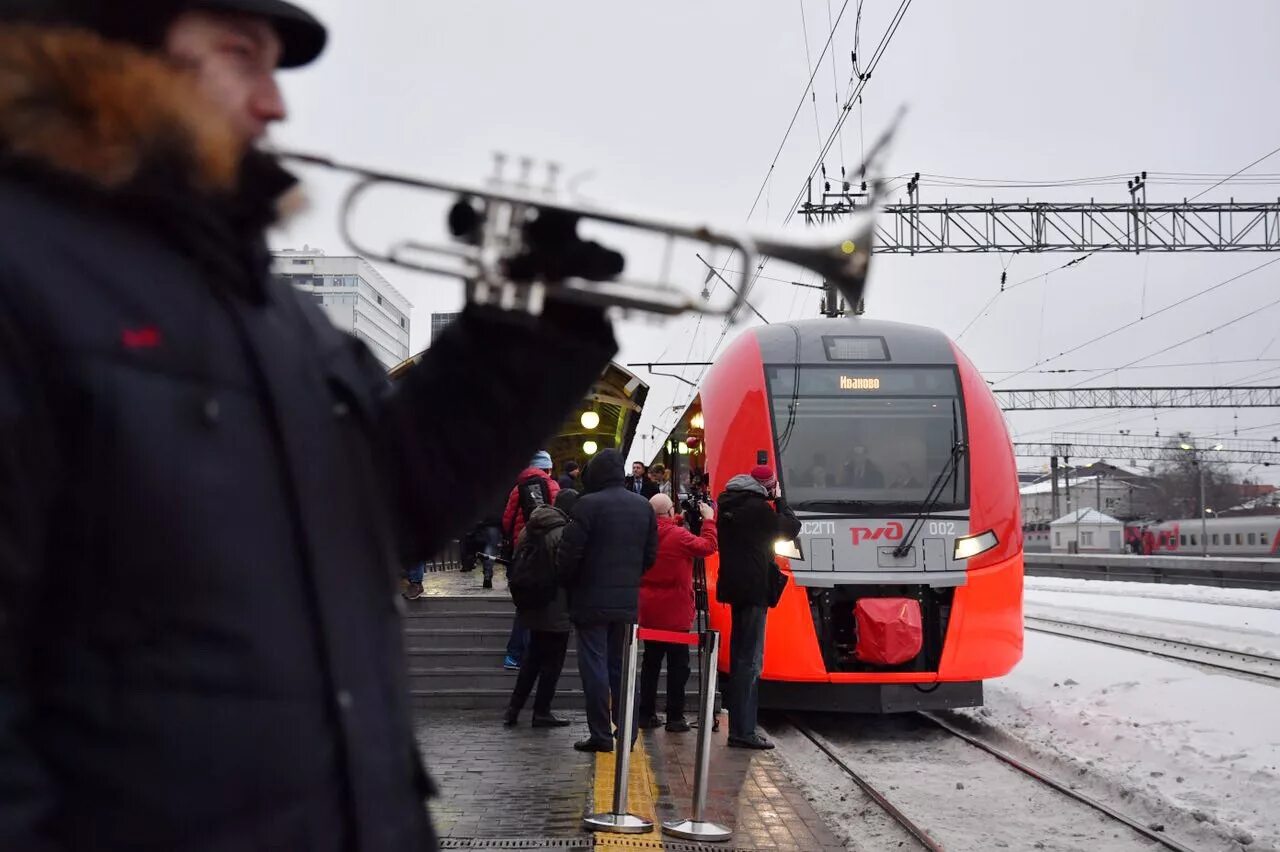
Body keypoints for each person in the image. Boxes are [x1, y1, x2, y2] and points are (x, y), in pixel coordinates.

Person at [0, 3, 618, 848]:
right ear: (103, 54)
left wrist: (518, 341)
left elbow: (385, 511)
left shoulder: (269, 307)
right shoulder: (24, 273)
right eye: (240, 57)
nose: (275, 104)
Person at [558, 449, 658, 752]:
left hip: (589, 601)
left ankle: (601, 734)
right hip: (627, 603)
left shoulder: (586, 505)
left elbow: (568, 554)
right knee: (624, 667)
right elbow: (650, 556)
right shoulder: (643, 507)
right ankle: (627, 731)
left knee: (594, 667)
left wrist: (569, 581)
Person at [715, 465, 801, 750]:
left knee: (742, 656)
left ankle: (740, 728)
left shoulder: (728, 502)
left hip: (735, 588)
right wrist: (780, 500)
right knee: (750, 662)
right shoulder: (758, 509)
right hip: (754, 590)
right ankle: (744, 731)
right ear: (768, 486)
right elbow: (791, 528)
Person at [637, 493, 717, 732]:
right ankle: (675, 717)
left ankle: (646, 714)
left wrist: (680, 517)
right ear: (670, 512)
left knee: (650, 664)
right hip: (676, 612)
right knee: (678, 667)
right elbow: (708, 546)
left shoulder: (644, 535)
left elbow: (666, 525)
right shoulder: (680, 536)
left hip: (649, 610)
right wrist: (709, 520)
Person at [503, 489, 579, 729]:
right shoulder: (563, 532)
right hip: (556, 604)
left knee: (531, 659)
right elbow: (567, 569)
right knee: (552, 663)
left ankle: (513, 709)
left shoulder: (530, 527)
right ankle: (542, 711)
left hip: (530, 602)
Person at [500, 451, 561, 668]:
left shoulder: (518, 488)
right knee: (546, 602)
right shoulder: (553, 486)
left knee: (524, 605)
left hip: (523, 553)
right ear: (548, 468)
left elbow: (507, 522)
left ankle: (515, 655)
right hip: (547, 552)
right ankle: (536, 654)